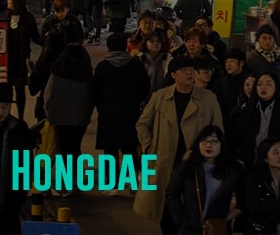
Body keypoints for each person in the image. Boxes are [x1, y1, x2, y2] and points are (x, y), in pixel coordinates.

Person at [135, 56, 225, 234]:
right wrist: (150, 146)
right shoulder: (160, 97)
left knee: (194, 206)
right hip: (166, 161)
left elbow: (218, 131)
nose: (190, 73)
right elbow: (142, 124)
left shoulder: (208, 99)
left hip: (196, 162)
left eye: (192, 69)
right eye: (184, 70)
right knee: (167, 207)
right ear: (174, 74)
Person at [93, 33, 150, 195]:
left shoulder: (103, 67)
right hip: (130, 112)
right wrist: (136, 101)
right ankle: (132, 184)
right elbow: (145, 86)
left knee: (109, 150)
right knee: (130, 148)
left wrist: (102, 106)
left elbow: (95, 90)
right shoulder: (135, 65)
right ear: (125, 47)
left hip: (108, 113)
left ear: (109, 48)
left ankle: (112, 184)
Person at [165, 126, 245, 235]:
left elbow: (243, 193)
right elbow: (171, 194)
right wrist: (180, 219)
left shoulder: (232, 170)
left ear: (222, 144)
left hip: (216, 227)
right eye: (204, 141)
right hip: (189, 227)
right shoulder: (187, 167)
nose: (208, 145)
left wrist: (235, 211)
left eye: (214, 141)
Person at [0, 82, 34, 233]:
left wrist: (16, 203)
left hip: (8, 213)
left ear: (10, 106)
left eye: (5, 107)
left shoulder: (20, 130)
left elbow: (24, 170)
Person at [43, 42, 95, 195]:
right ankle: (76, 182)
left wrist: (49, 113)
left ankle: (63, 184)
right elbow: (91, 99)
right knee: (75, 148)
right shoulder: (86, 76)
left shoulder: (57, 74)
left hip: (59, 119)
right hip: (79, 120)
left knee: (63, 150)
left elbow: (48, 96)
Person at [228, 70, 280, 166]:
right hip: (248, 164)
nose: (263, 87)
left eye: (268, 84)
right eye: (259, 84)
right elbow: (236, 139)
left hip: (275, 164)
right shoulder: (245, 112)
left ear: (276, 87)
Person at [6, 0, 40, 118]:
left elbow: (36, 37)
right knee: (8, 91)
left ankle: (21, 117)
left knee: (20, 90)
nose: (8, 2)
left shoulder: (28, 18)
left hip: (21, 60)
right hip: (8, 61)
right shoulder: (5, 16)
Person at [245, 25, 280, 97]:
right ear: (258, 39)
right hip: (259, 98)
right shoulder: (251, 58)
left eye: (270, 38)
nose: (268, 41)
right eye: (264, 38)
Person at [213, 48, 248, 126]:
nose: (228, 65)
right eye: (226, 62)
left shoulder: (248, 82)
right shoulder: (220, 83)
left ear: (241, 63)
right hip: (225, 123)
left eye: (232, 61)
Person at [140, 31, 173, 96]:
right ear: (145, 43)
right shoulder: (140, 58)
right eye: (152, 41)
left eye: (158, 41)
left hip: (162, 94)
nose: (155, 43)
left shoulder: (167, 58)